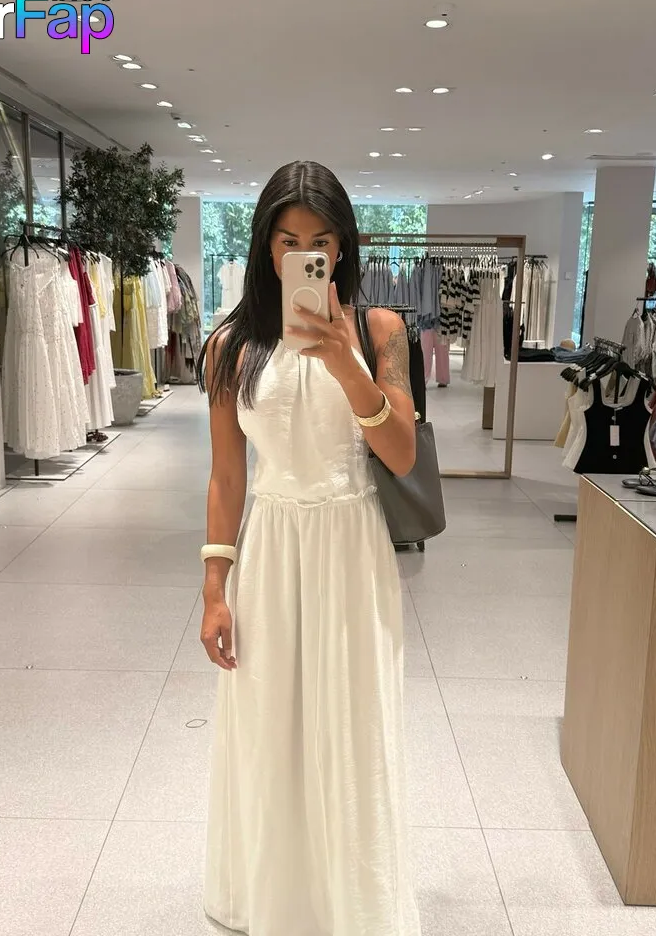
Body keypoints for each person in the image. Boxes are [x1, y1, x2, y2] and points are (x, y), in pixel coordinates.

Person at [196, 160, 422, 935]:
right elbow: (227, 476)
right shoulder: (229, 346)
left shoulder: (381, 331)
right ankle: (273, 896)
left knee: (350, 720)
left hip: (351, 545)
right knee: (268, 719)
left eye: (319, 242)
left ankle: (353, 904)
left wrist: (344, 363)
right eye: (288, 241)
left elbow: (401, 455)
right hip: (270, 546)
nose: (303, 254)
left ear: (342, 247)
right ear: (266, 247)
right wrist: (213, 589)